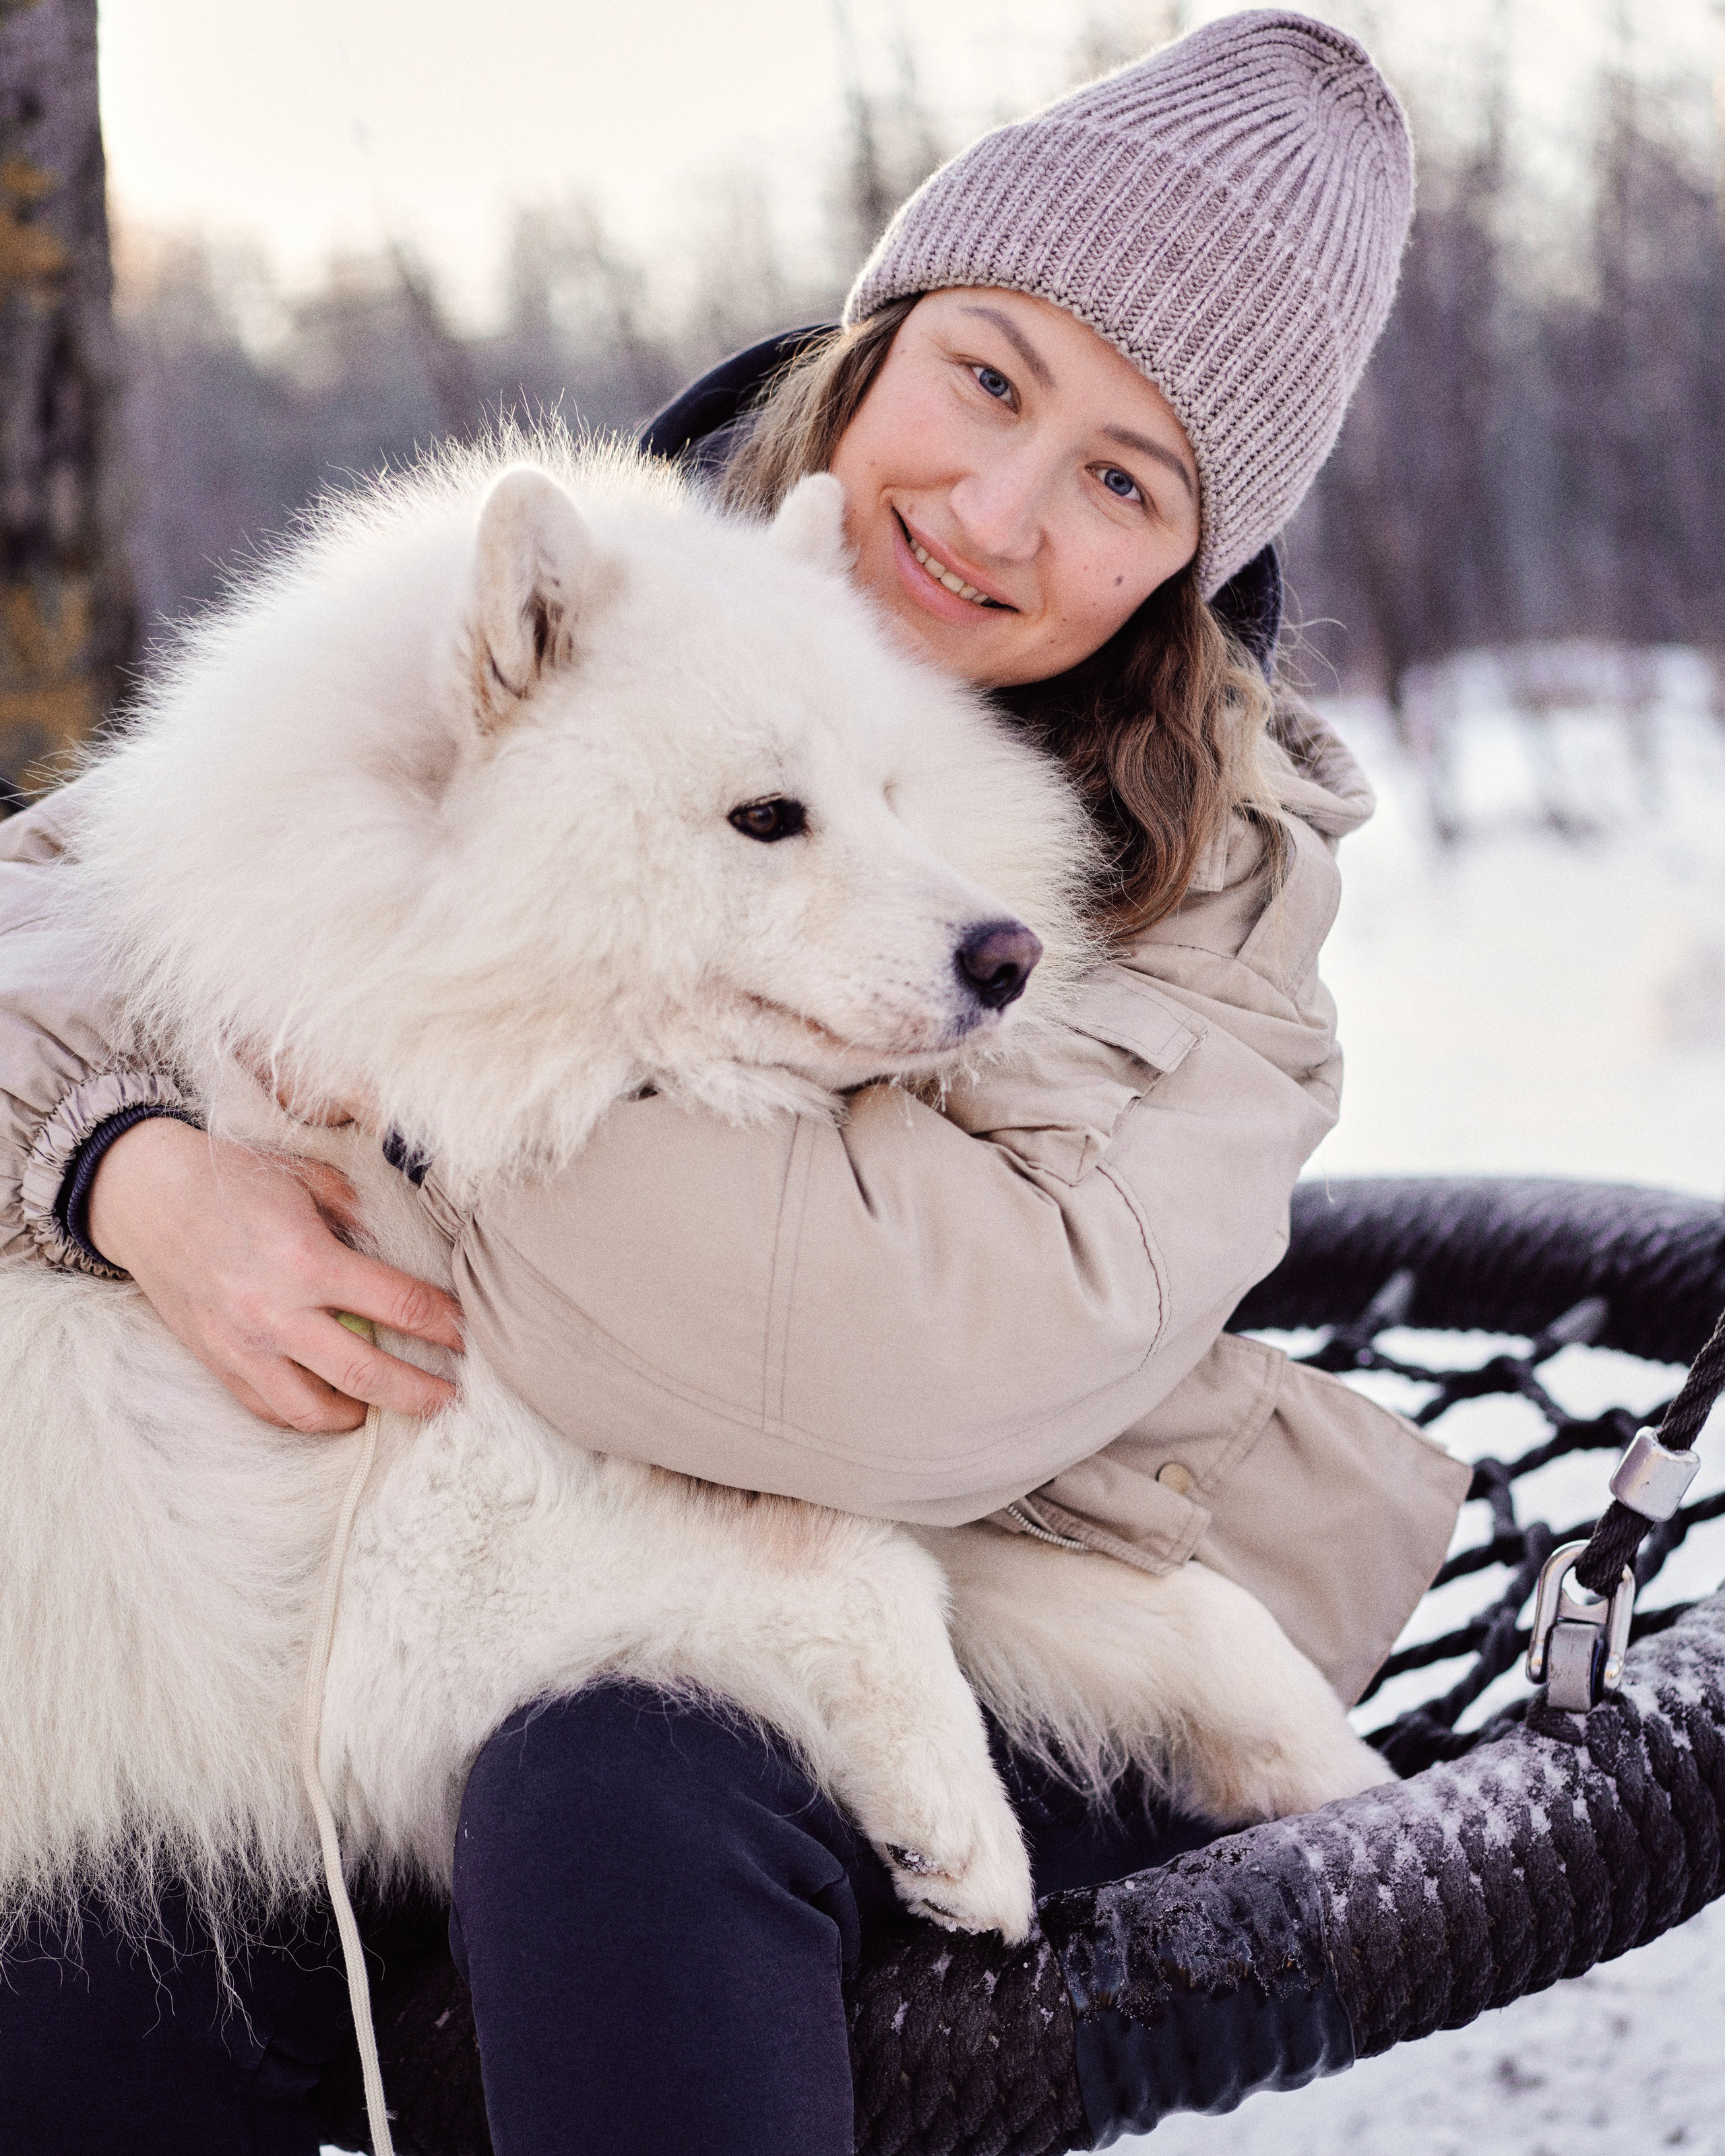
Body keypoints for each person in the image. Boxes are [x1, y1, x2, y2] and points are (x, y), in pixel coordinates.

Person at [0, 13, 1470, 2154]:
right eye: (987, 374)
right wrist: (121, 1159)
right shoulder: (625, 599)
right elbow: (68, 900)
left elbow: (892, 1388)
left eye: (1124, 478)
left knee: (619, 1782)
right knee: (82, 1904)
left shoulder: (1226, 909)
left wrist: (408, 1070)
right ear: (872, 345)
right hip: (450, 1582)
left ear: (1193, 556)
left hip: (1023, 1606)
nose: (991, 507)